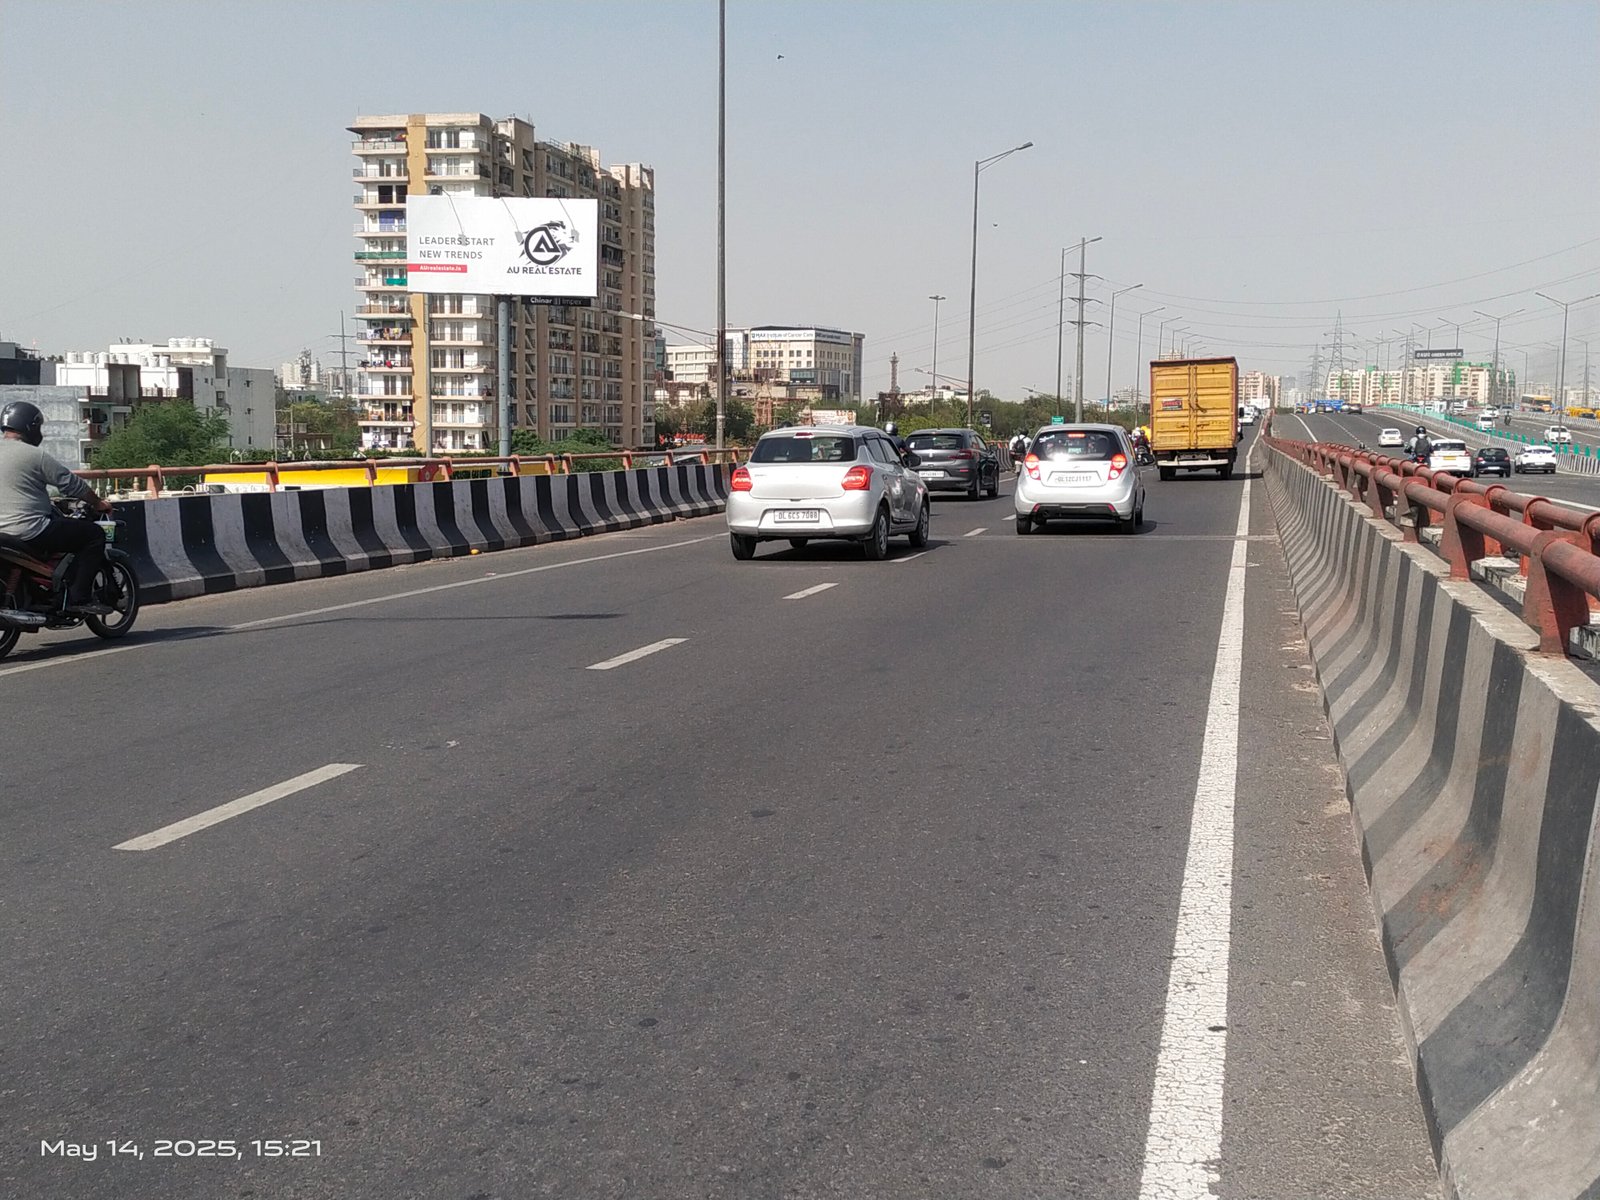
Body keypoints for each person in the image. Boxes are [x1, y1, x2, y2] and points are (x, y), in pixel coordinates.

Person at [0, 400, 115, 614]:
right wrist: (98, 503)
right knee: (93, 535)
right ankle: (79, 598)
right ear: (31, 427)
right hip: (29, 531)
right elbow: (71, 484)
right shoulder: (35, 455)